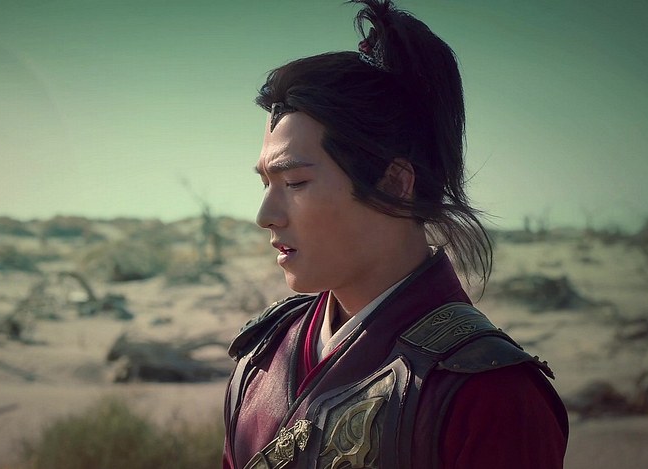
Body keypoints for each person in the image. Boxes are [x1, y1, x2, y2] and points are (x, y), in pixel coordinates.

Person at [222, 1, 569, 468]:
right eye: (266, 184)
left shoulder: (488, 393)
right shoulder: (265, 355)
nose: (266, 215)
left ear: (394, 183)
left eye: (296, 183)